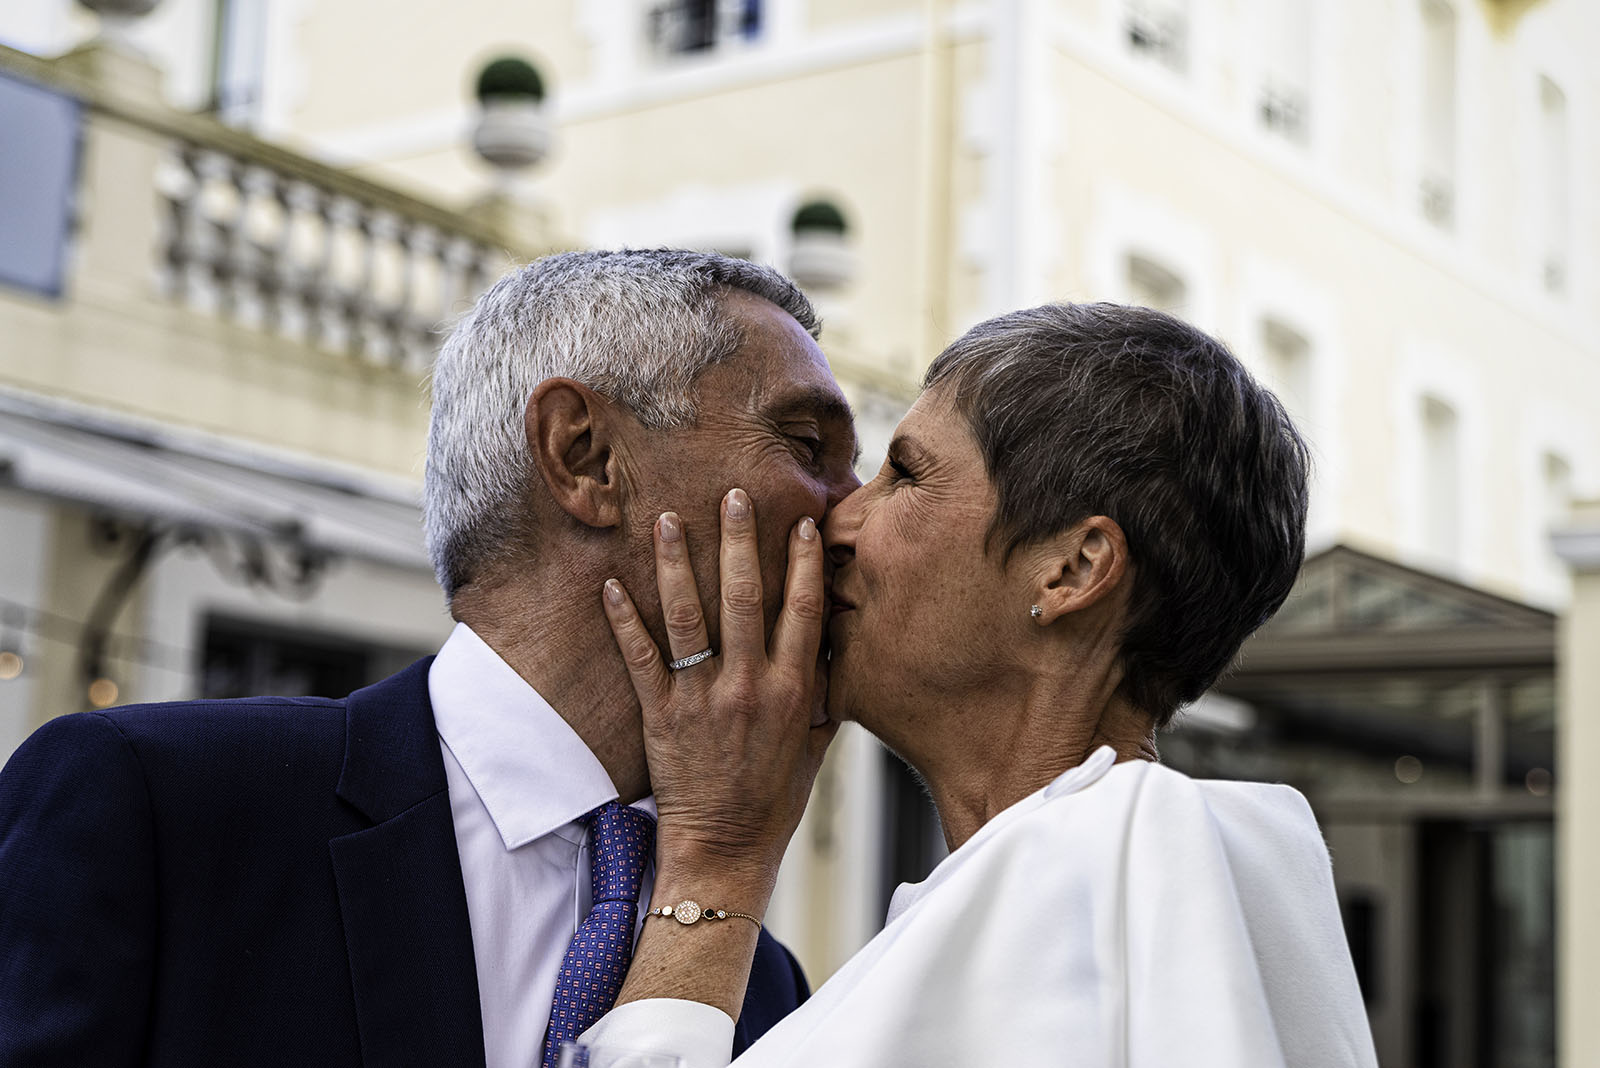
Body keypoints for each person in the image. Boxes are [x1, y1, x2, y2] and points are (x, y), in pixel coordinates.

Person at [0, 250, 862, 1068]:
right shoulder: (157, 809)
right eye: (806, 446)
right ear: (585, 456)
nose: (853, 514)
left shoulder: (757, 980)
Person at [581, 302, 1380, 1067]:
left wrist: (716, 863)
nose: (841, 521)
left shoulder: (1093, 880)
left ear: (1072, 570)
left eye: (904, 475)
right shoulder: (1164, 877)